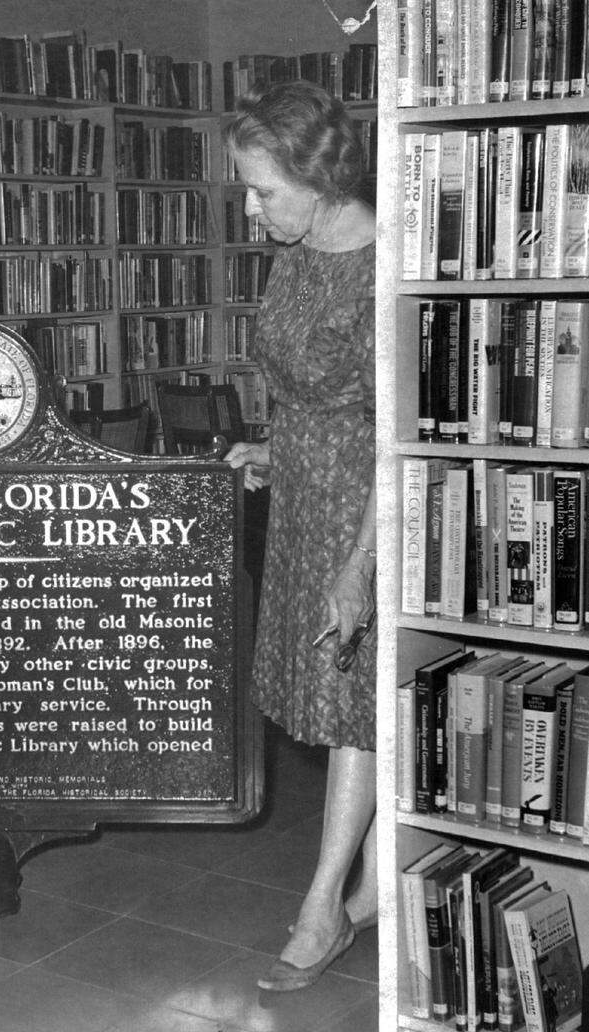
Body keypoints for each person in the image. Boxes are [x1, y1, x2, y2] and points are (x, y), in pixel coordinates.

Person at [223, 79, 377, 993]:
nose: (252, 209)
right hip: (304, 500)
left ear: (320, 179)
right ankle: (372, 889)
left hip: (366, 510)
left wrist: (360, 566)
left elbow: (395, 436)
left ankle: (323, 909)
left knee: (355, 699)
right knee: (339, 700)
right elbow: (308, 388)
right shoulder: (298, 249)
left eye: (263, 190)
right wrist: (273, 450)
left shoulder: (380, 268)